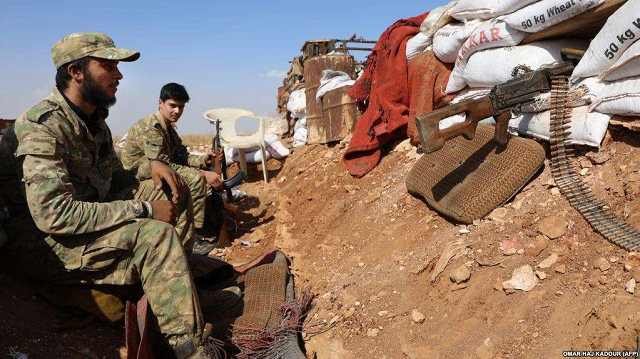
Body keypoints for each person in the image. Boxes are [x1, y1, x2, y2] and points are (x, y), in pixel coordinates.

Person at [0, 32, 223, 358]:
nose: (119, 75)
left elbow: (112, 180)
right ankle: (192, 348)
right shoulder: (42, 128)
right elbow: (55, 216)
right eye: (108, 66)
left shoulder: (94, 123)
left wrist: (152, 167)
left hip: (86, 220)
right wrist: (146, 210)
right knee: (154, 235)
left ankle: (177, 289)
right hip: (46, 244)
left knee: (172, 183)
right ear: (76, 71)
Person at [120, 83, 225, 246]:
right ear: (160, 103)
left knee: (200, 179)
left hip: (153, 177)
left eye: (181, 107)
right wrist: (204, 174)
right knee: (196, 179)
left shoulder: (168, 128)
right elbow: (163, 165)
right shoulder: (150, 127)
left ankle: (199, 229)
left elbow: (182, 156)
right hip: (135, 183)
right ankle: (195, 236)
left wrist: (205, 160)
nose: (177, 111)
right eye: (172, 105)